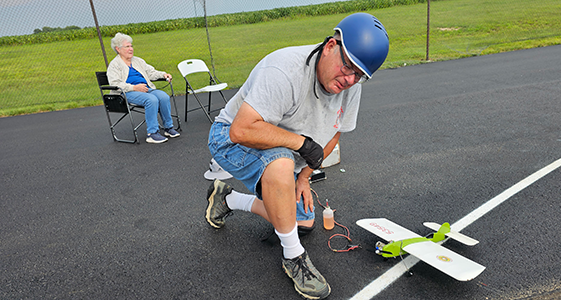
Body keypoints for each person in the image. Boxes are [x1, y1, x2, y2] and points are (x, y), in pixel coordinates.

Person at [204, 13, 389, 299]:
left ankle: (226, 199)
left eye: (360, 75)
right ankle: (294, 258)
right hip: (229, 139)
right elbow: (241, 130)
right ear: (330, 46)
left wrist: (304, 178)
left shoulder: (351, 87)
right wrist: (301, 144)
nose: (350, 79)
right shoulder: (285, 70)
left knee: (302, 222)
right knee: (282, 163)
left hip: (282, 153)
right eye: (348, 66)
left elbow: (333, 133)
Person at [107, 32, 180, 144]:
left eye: (131, 46)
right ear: (118, 49)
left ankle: (168, 128)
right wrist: (134, 87)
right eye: (127, 46)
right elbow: (115, 83)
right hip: (127, 92)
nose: (131, 49)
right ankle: (152, 133)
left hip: (146, 89)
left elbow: (151, 72)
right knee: (151, 100)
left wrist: (163, 74)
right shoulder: (114, 65)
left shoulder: (138, 61)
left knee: (163, 97)